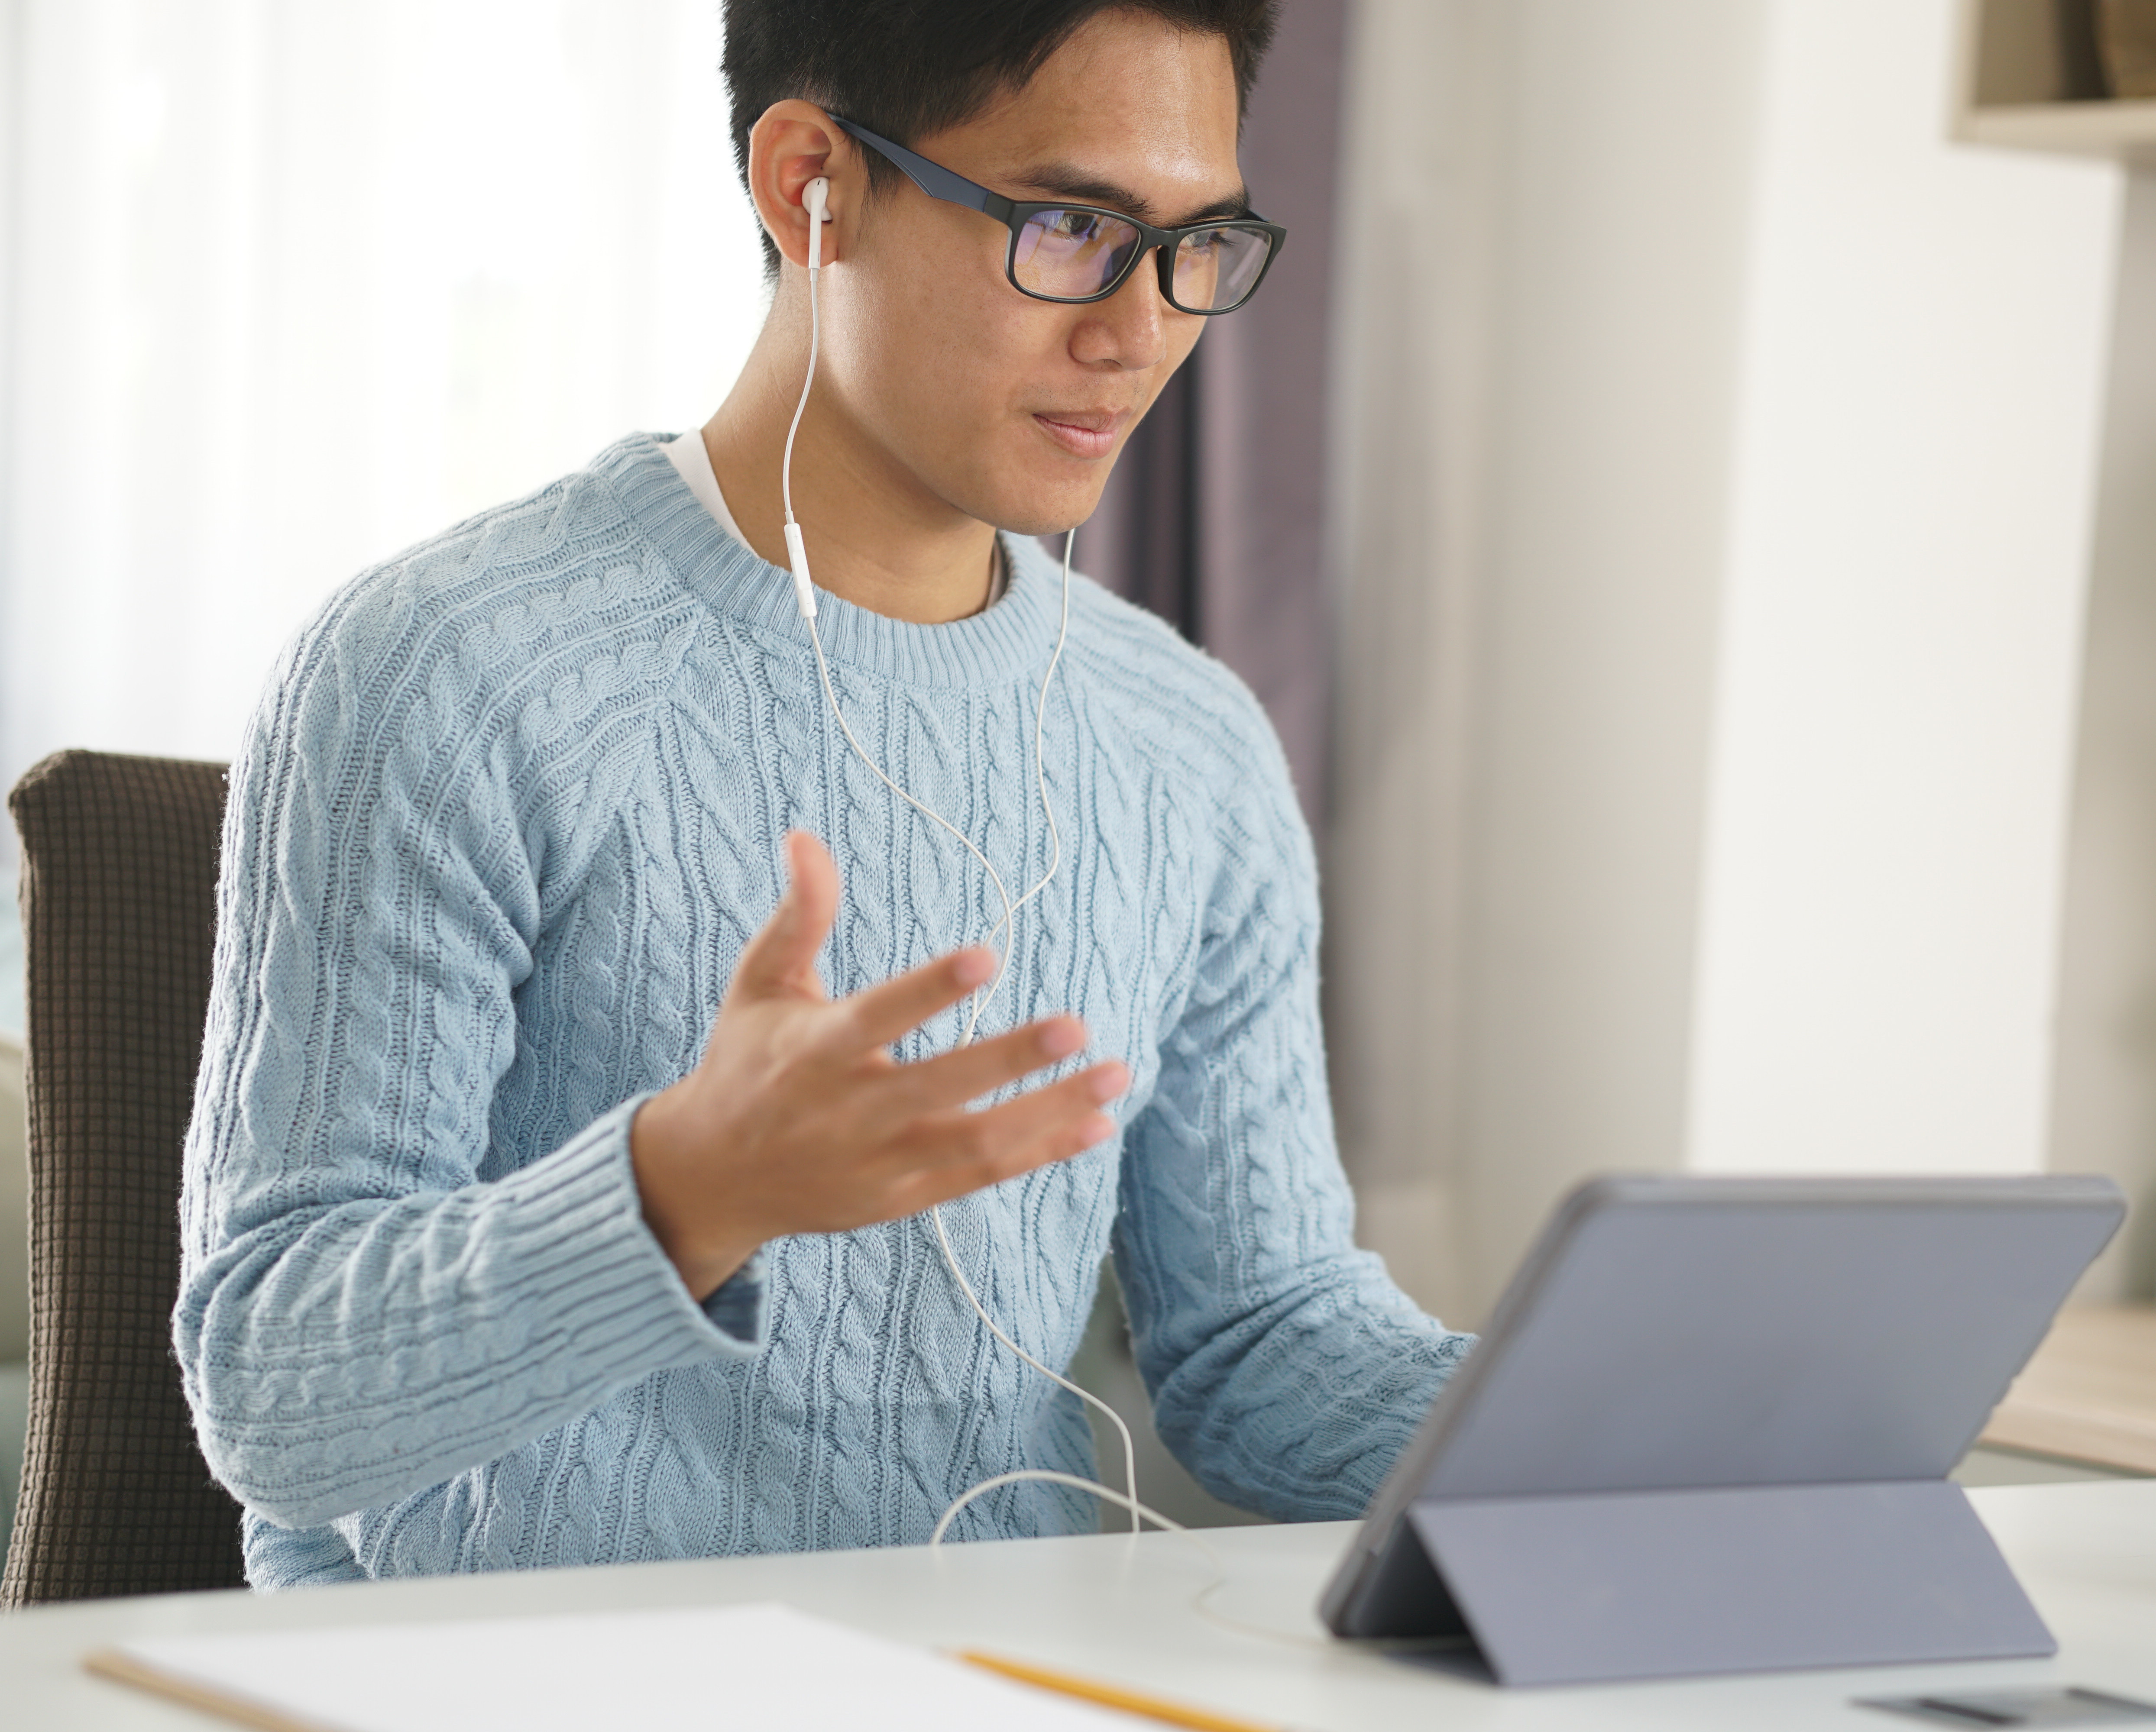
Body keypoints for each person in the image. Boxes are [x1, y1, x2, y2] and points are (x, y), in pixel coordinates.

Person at [175, 0, 1467, 1589]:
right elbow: (272, 1392)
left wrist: (1591, 1433)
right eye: (1071, 228)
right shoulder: (441, 668)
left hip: (999, 1682)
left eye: (1197, 243)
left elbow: (1263, 1341)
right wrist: (679, 1196)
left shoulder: (1191, 747)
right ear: (811, 184)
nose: (1140, 331)